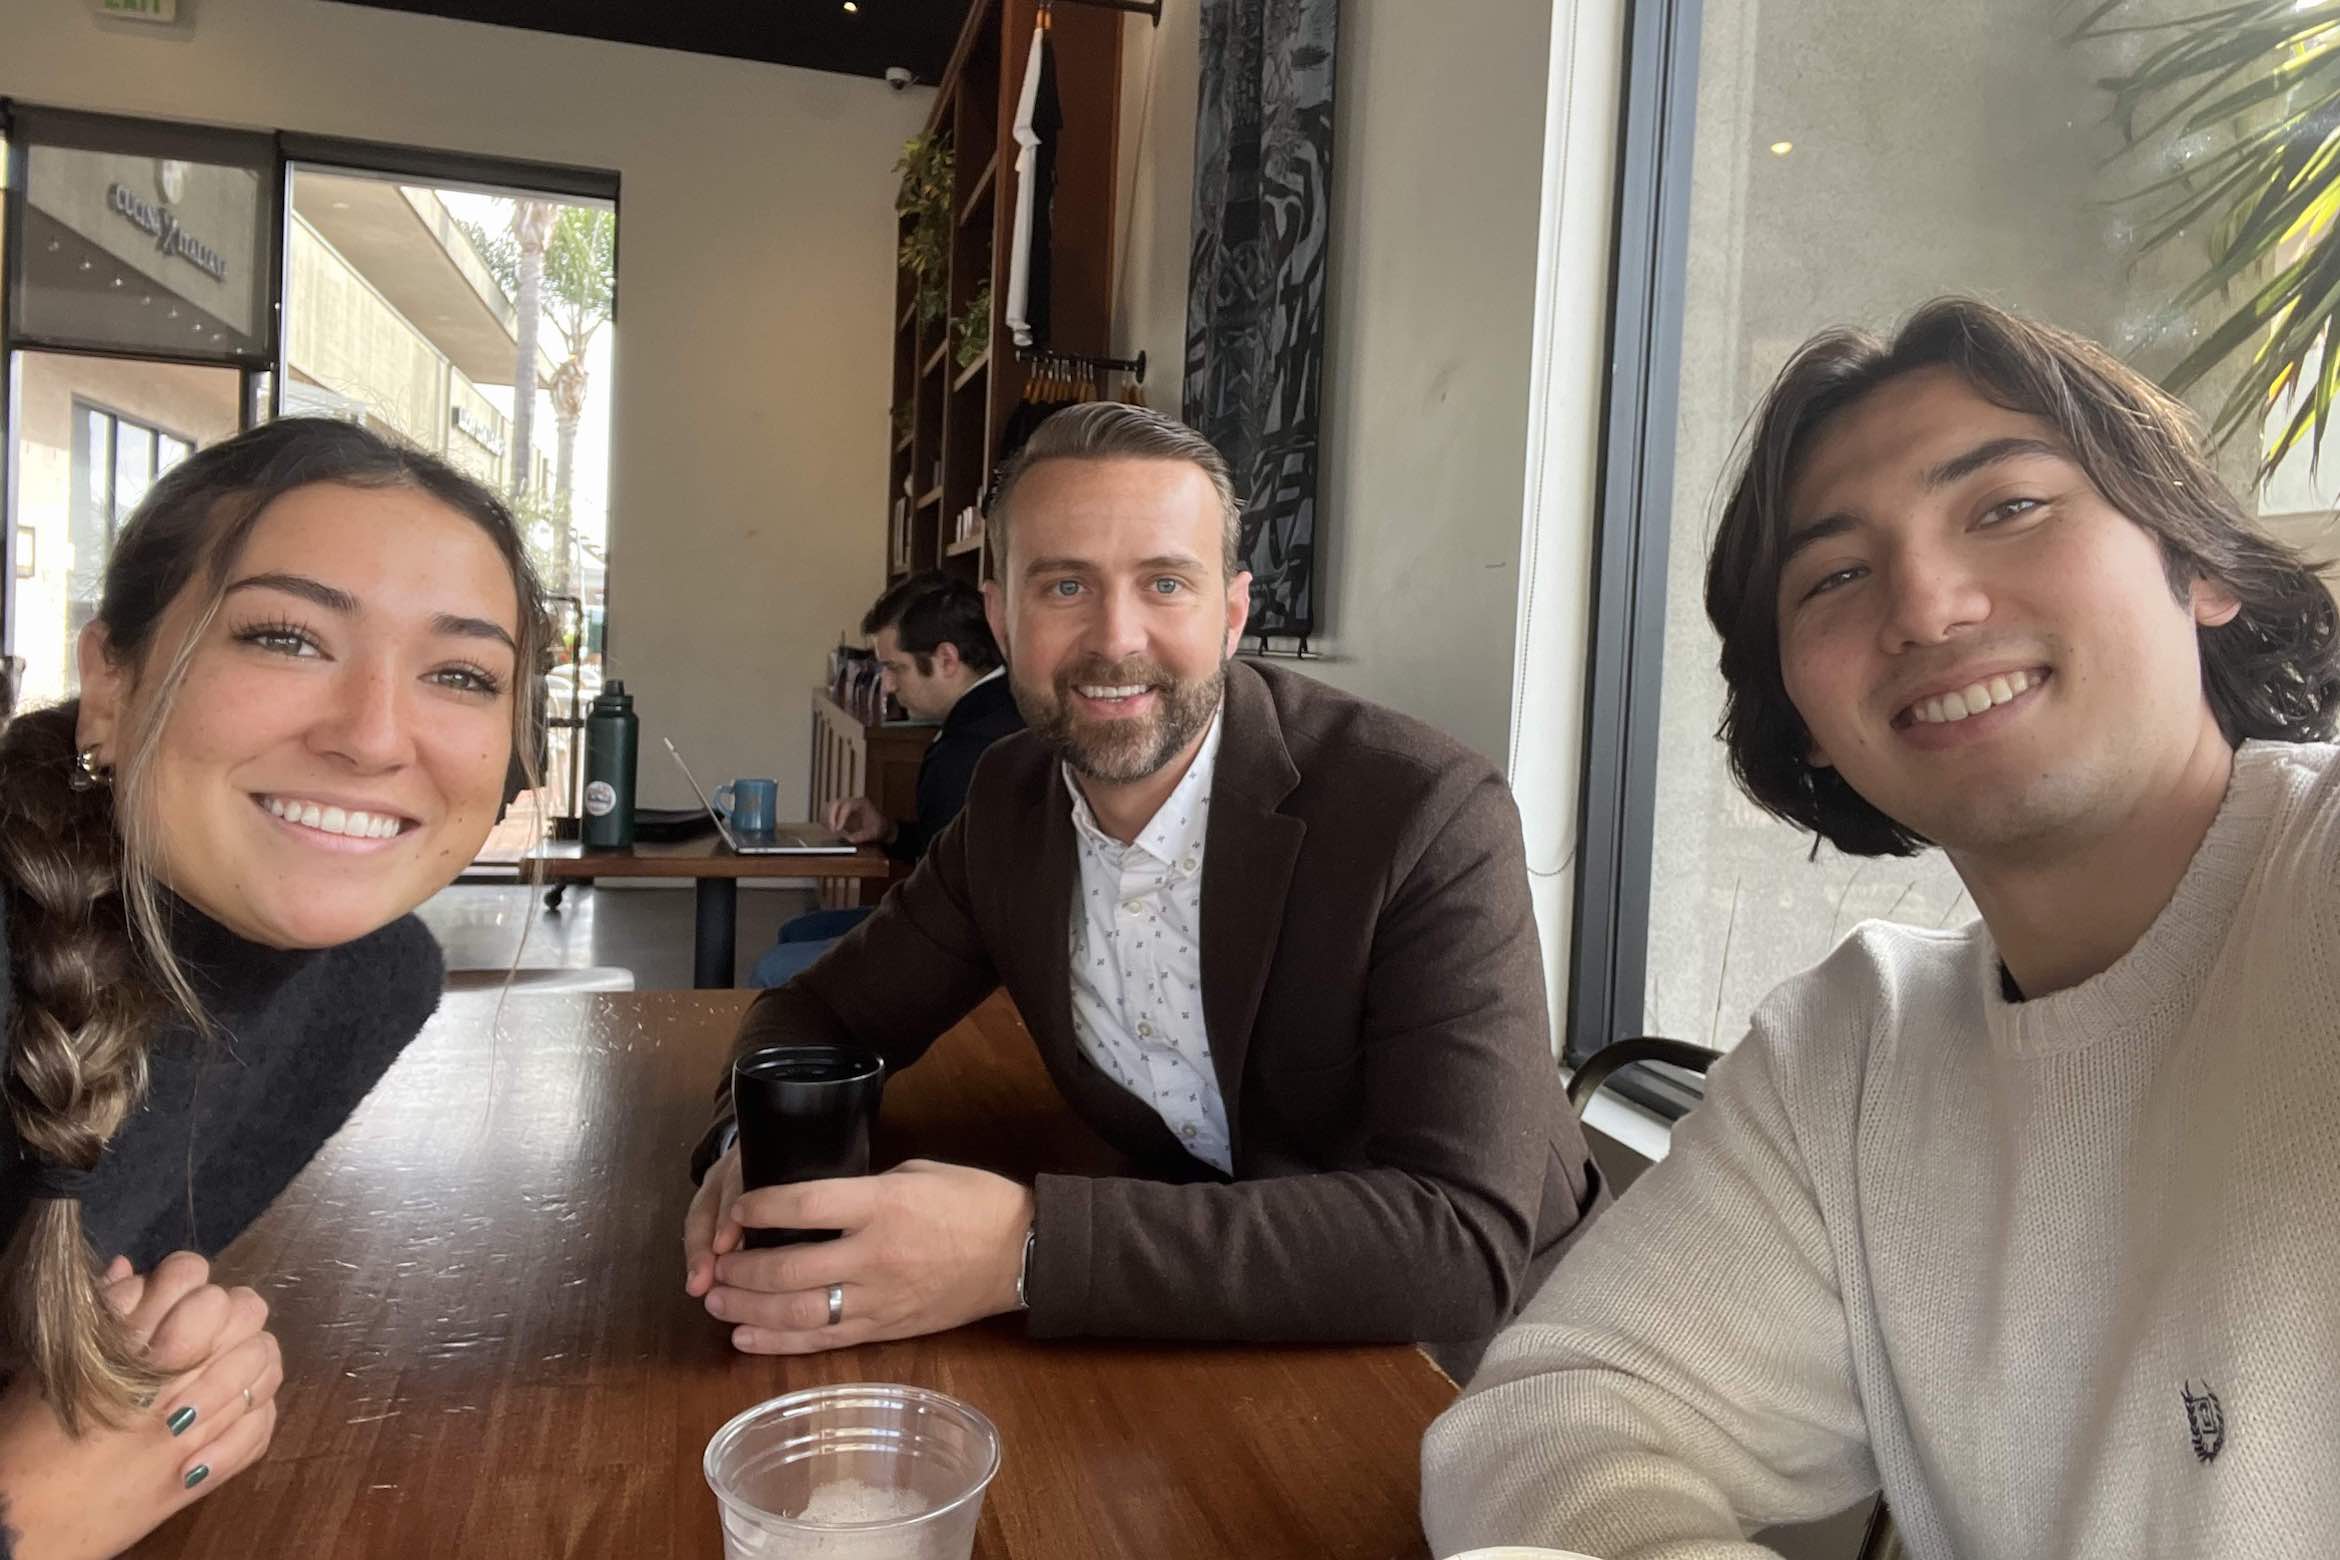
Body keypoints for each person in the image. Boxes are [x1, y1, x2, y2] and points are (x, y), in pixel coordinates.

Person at [1422, 298, 2340, 1558]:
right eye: (1838, 575)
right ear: (1803, 716)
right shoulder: (1855, 1052)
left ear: (2205, 564)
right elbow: (1551, 1423)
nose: (1925, 606)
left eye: (2008, 506)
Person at [684, 402, 1600, 1357]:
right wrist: (750, 1148)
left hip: (1501, 1362)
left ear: (1233, 613)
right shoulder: (1011, 805)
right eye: (1065, 586)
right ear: (1001, 617)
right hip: (1208, 1330)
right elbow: (821, 1015)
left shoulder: (1427, 814)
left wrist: (1022, 1249)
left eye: (1165, 582)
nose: (1116, 637)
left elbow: (1461, 1241)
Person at [0, 417, 545, 1559]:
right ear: (111, 677)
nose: (375, 737)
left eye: (459, 674)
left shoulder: (370, 980)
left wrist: (131, 1382)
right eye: (287, 639)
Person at [750, 572, 1023, 988]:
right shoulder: (999, 709)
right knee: (797, 933)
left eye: (896, 668)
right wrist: (890, 830)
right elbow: (951, 848)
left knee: (775, 969)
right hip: (967, 928)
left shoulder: (969, 747)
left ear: (948, 660)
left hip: (972, 956)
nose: (889, 686)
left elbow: (949, 905)